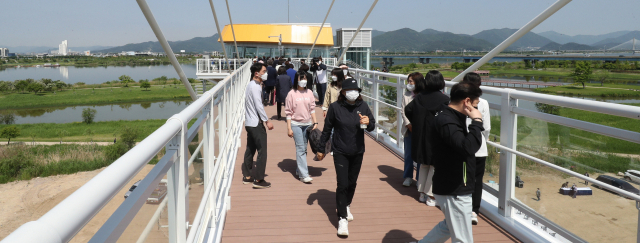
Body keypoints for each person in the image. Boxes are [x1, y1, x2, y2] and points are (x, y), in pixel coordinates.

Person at [417, 82, 484, 243]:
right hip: (454, 188)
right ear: (467, 101)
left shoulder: (449, 116)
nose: (476, 108)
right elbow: (467, 147)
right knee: (463, 238)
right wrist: (477, 123)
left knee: (449, 226)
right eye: (476, 104)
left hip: (453, 184)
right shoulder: (447, 120)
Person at [316, 78, 375, 236]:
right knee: (342, 184)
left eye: (355, 90)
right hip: (340, 150)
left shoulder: (363, 106)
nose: (353, 93)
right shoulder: (335, 108)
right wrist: (321, 149)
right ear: (342, 92)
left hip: (358, 151)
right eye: (349, 90)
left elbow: (372, 125)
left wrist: (368, 122)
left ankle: (346, 204)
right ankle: (342, 219)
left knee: (352, 182)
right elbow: (327, 129)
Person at [405, 70, 450, 206]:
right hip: (436, 137)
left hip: (420, 136)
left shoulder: (419, 97)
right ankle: (431, 195)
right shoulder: (444, 99)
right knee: (435, 165)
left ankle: (422, 193)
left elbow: (408, 110)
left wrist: (417, 122)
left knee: (424, 164)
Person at [462, 72, 491, 225]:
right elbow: (486, 127)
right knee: (477, 180)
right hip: (479, 149)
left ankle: (462, 208)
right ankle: (474, 210)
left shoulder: (458, 101)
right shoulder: (484, 103)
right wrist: (483, 141)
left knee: (463, 178)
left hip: (463, 147)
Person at [242, 63, 275, 189]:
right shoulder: (256, 87)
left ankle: (247, 176)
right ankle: (259, 179)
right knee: (262, 151)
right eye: (264, 71)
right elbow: (259, 105)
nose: (266, 73)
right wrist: (267, 121)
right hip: (256, 124)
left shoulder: (250, 85)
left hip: (249, 123)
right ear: (257, 73)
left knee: (250, 149)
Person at [286, 71, 319, 183]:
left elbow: (312, 109)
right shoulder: (291, 93)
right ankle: (304, 175)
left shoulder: (309, 92)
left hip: (308, 124)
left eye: (305, 78)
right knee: (300, 148)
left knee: (304, 149)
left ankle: (298, 169)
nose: (304, 81)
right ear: (297, 80)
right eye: (301, 78)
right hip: (296, 124)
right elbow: (288, 113)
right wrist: (289, 128)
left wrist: (315, 122)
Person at [401, 72, 422, 187]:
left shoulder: (423, 95)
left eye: (411, 81)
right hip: (409, 128)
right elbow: (402, 110)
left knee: (419, 154)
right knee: (408, 153)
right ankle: (408, 176)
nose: (409, 84)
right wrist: (408, 124)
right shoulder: (406, 95)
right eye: (408, 81)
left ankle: (419, 178)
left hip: (420, 129)